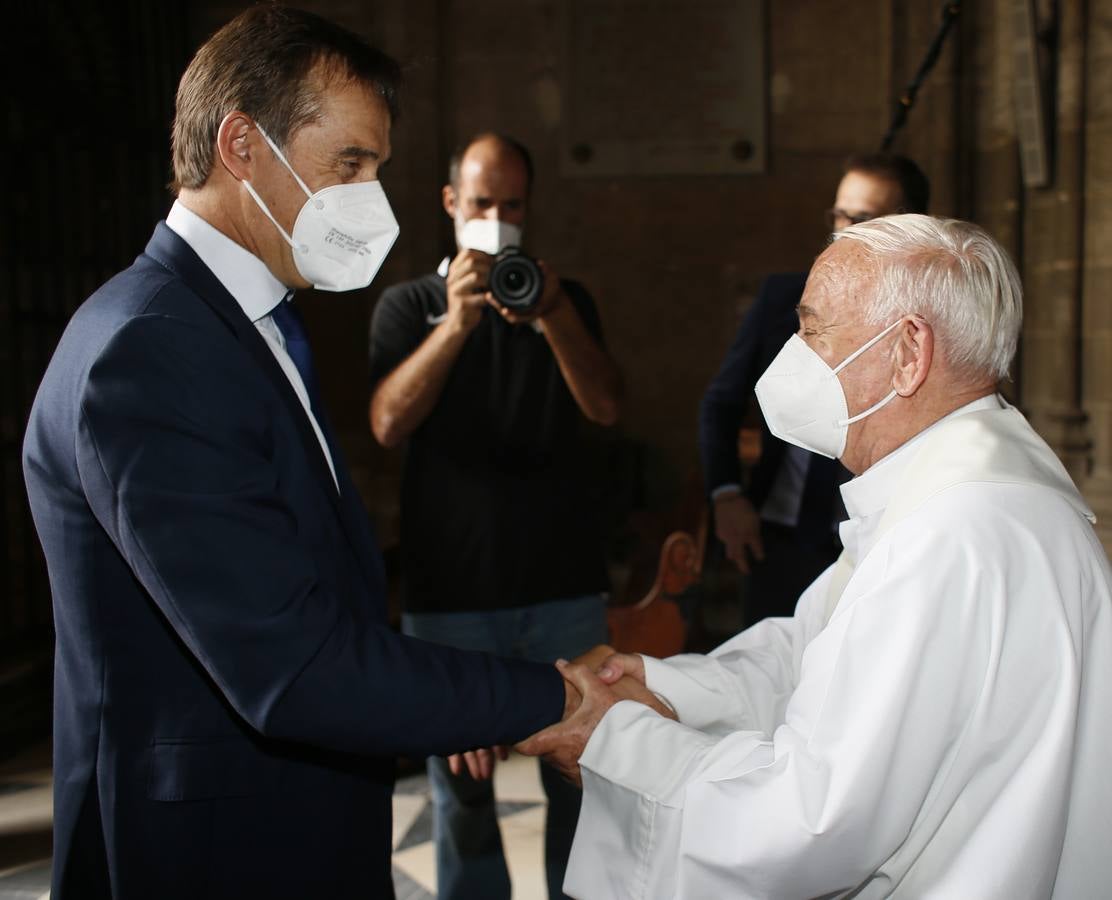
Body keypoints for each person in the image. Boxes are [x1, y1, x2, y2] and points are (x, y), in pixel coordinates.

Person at [20, 9, 575, 899]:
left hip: (289, 816)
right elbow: (292, 663)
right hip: (213, 850)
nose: (370, 196)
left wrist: (443, 697)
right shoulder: (152, 347)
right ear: (242, 145)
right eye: (349, 163)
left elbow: (306, 578)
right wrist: (557, 699)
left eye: (377, 168)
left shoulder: (239, 320)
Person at [522, 215, 1112, 898]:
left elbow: (812, 820)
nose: (792, 355)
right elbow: (810, 650)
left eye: (812, 330)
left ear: (908, 352)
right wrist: (662, 686)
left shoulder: (950, 536)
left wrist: (618, 743)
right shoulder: (949, 488)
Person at [368, 133, 623, 899]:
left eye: (513, 205)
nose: (498, 219)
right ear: (451, 203)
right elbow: (386, 423)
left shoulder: (565, 302)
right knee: (464, 805)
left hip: (563, 593)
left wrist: (553, 314)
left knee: (584, 792)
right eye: (482, 203)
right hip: (453, 604)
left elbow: (606, 408)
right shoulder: (409, 306)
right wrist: (455, 324)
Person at [699, 153, 930, 624]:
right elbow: (721, 403)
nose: (845, 231)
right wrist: (726, 495)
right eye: (840, 215)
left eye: (863, 219)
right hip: (777, 537)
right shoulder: (783, 297)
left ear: (907, 225)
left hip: (877, 537)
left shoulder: (924, 318)